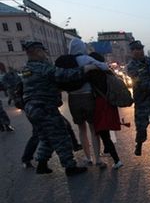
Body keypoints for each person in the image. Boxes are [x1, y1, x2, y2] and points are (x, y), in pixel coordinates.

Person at [22, 41, 100, 176]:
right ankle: (70, 167)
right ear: (36, 51)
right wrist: (85, 69)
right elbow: (63, 75)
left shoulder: (27, 69)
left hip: (32, 109)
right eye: (43, 51)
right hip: (44, 108)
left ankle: (41, 163)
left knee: (46, 137)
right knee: (61, 136)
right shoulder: (41, 67)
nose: (45, 54)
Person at [67, 38, 108, 168]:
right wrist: (92, 67)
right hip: (88, 97)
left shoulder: (67, 61)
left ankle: (87, 157)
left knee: (81, 128)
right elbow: (104, 66)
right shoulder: (85, 59)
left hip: (73, 98)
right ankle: (98, 159)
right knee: (93, 128)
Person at [126, 40, 150, 156]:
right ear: (132, 52)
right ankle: (139, 143)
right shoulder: (131, 67)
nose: (140, 51)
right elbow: (142, 85)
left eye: (141, 49)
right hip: (141, 101)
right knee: (142, 125)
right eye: (137, 49)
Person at [88, 52, 123, 169]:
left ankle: (117, 160)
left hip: (99, 104)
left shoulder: (91, 74)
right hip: (109, 103)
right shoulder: (107, 71)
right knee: (106, 130)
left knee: (103, 133)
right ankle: (109, 151)